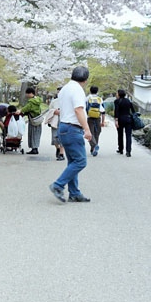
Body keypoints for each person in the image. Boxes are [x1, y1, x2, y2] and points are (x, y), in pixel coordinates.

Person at [49, 66, 92, 203]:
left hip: (64, 127)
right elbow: (79, 110)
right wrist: (87, 129)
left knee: (73, 161)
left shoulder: (65, 89)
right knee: (80, 161)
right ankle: (58, 185)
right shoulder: (78, 90)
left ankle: (74, 193)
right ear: (85, 79)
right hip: (73, 128)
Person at [19, 87, 42, 154]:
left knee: (32, 134)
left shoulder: (31, 102)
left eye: (27, 93)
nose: (26, 95)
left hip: (33, 120)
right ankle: (35, 148)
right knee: (37, 134)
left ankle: (34, 149)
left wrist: (20, 110)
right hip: (37, 119)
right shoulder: (37, 100)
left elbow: (26, 108)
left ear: (31, 93)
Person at [114, 88, 135, 157]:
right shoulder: (128, 101)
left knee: (120, 134)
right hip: (128, 119)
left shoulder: (117, 101)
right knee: (128, 135)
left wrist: (116, 120)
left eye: (117, 93)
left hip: (120, 119)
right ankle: (128, 151)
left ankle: (120, 149)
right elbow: (133, 110)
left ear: (119, 94)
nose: (116, 94)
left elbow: (116, 111)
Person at [45, 87, 65, 161]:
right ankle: (58, 148)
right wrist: (54, 111)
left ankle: (62, 153)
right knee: (55, 137)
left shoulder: (68, 101)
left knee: (63, 137)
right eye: (58, 92)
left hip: (64, 120)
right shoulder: (54, 101)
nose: (59, 93)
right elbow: (50, 110)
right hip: (55, 120)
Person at [86, 85, 104, 156]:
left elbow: (84, 109)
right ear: (97, 91)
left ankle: (93, 146)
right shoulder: (99, 98)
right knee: (97, 132)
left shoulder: (87, 98)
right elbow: (103, 111)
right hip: (97, 117)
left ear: (90, 91)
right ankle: (95, 146)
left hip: (89, 117)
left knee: (90, 133)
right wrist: (103, 121)